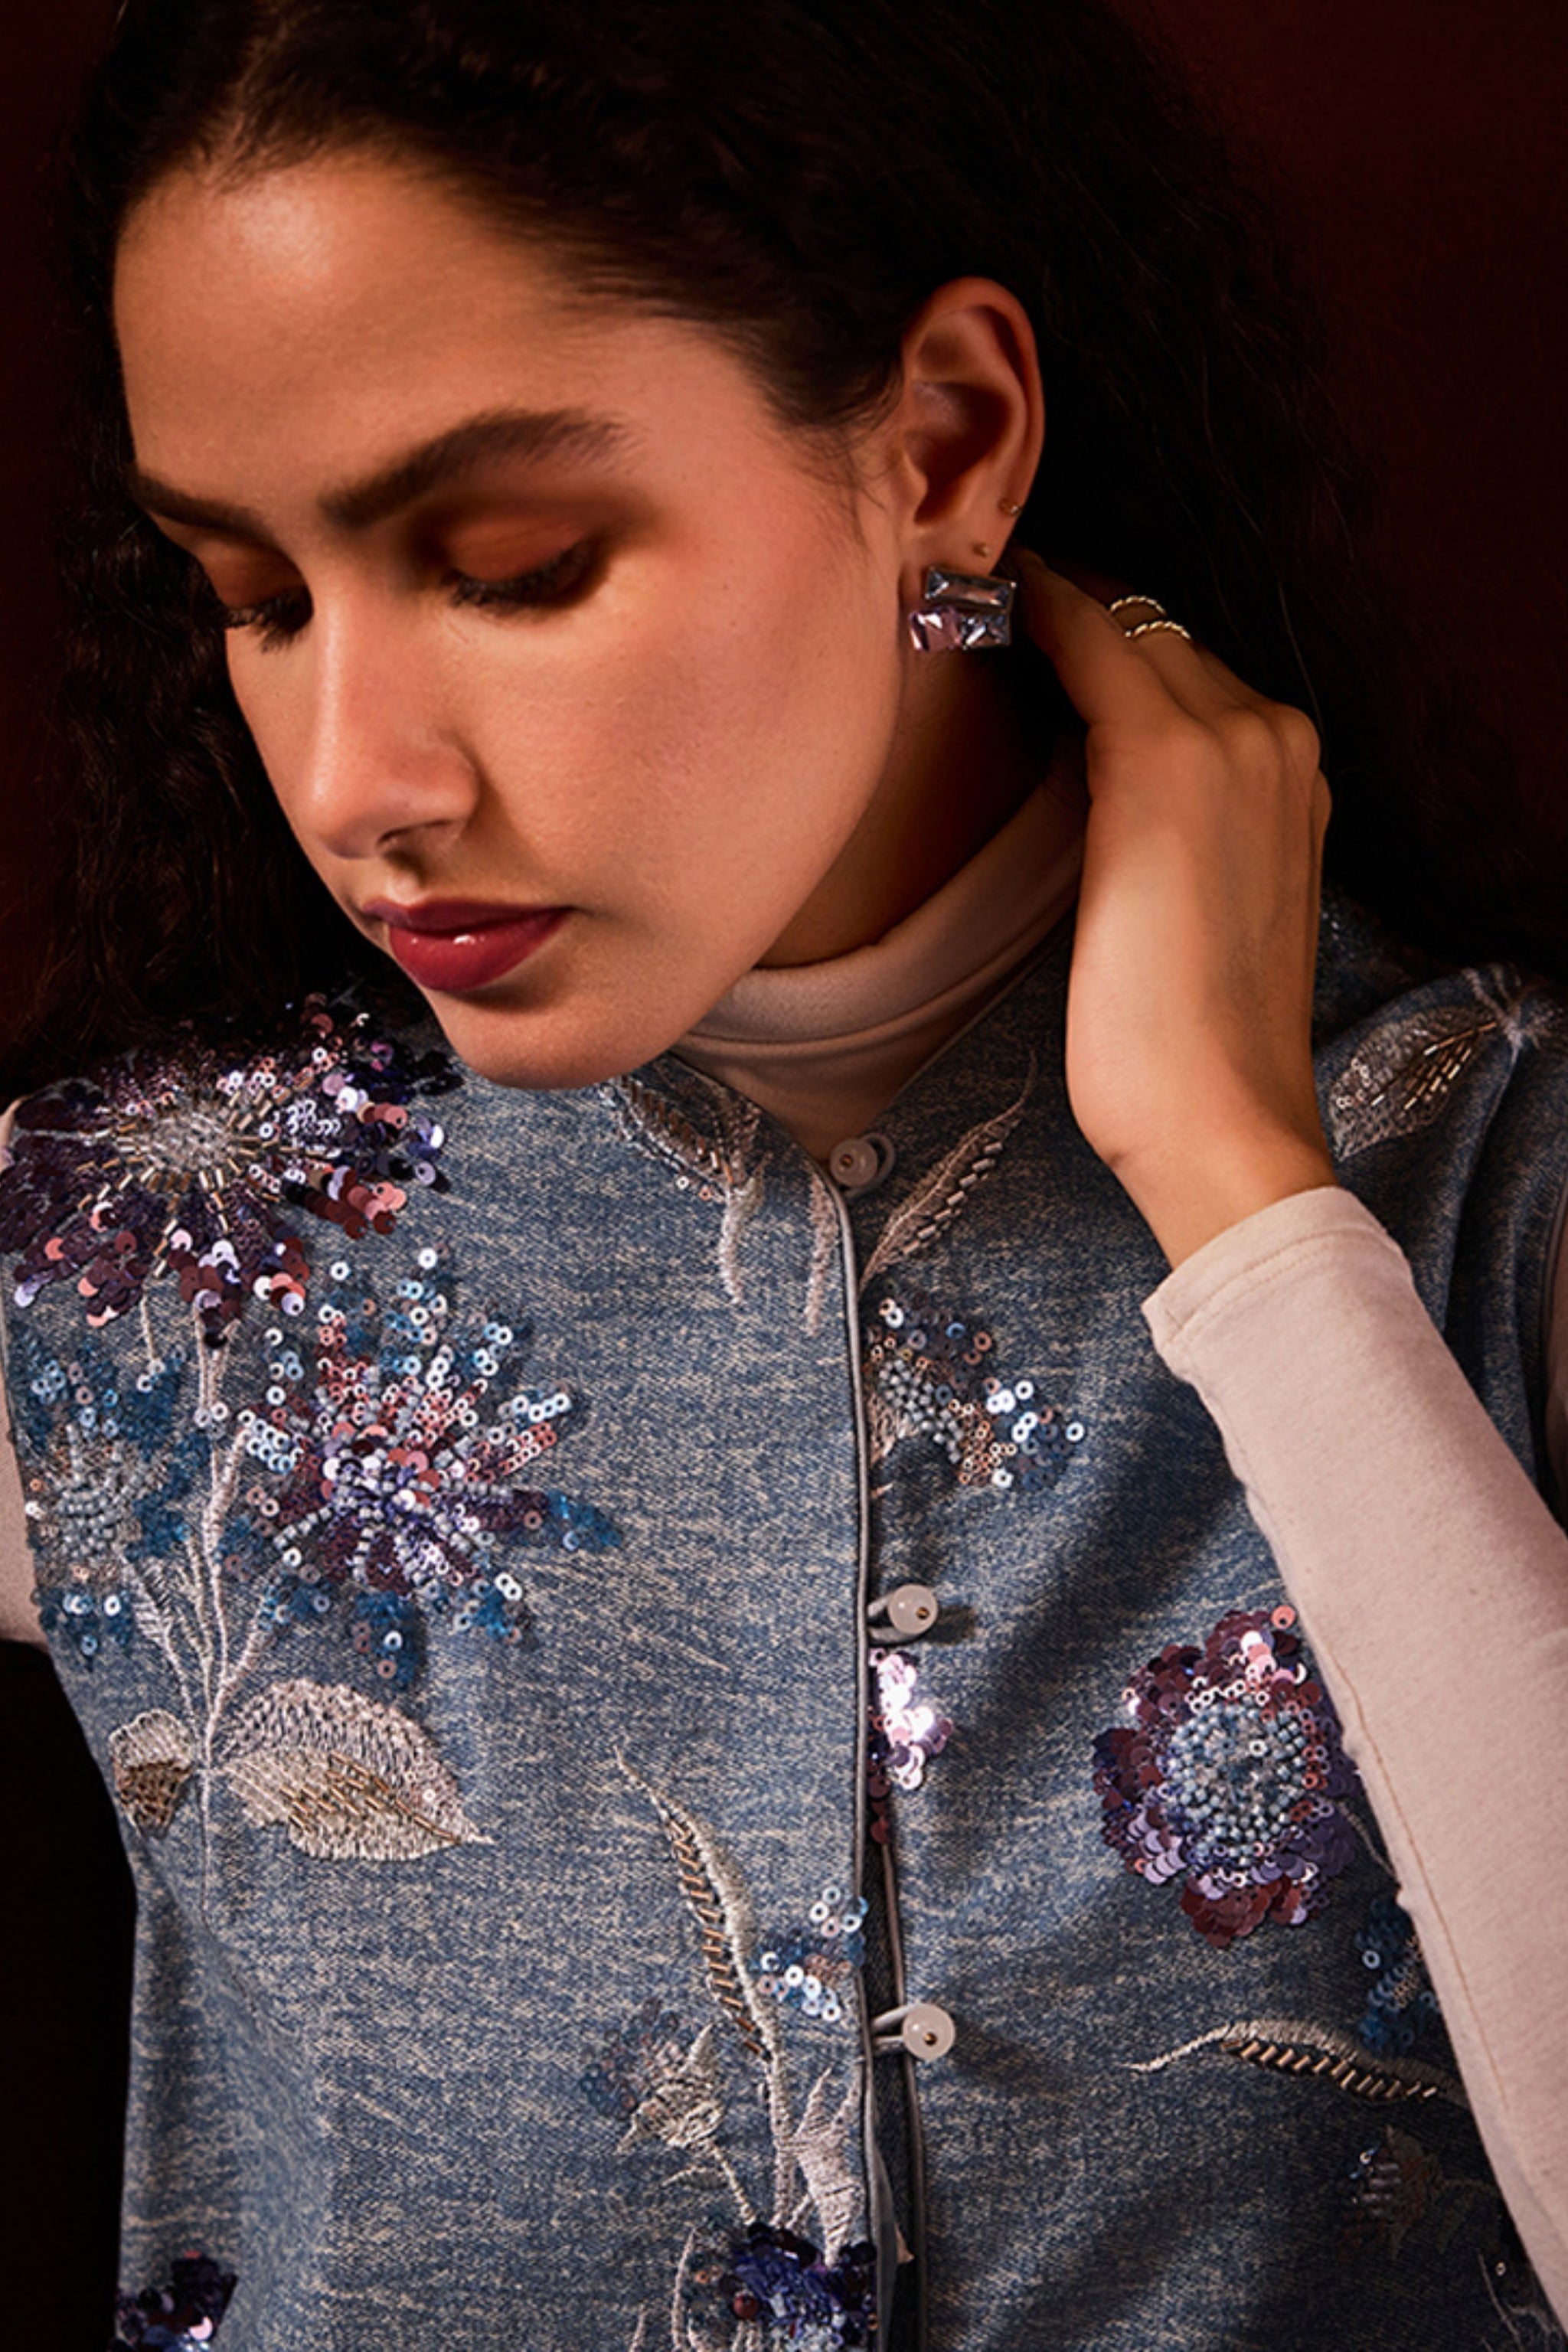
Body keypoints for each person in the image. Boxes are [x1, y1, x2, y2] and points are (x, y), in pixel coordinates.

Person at [1, 1, 1565, 2345]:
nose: (352, 778)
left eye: (516, 563)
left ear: (946, 446)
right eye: (256, 597)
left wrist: (1254, 1211)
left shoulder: (1493, 1183)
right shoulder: (130, 1272)